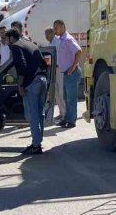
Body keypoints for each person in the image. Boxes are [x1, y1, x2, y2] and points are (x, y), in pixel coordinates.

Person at [7, 27, 47, 155]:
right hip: (42, 79)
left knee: (32, 115)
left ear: (11, 37)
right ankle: (38, 142)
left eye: (7, 39)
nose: (7, 42)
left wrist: (20, 85)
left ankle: (36, 145)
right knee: (40, 113)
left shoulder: (16, 46)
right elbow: (44, 63)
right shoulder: (31, 44)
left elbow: (21, 67)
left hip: (32, 83)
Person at [53, 19, 83, 128]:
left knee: (71, 98)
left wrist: (73, 67)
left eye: (56, 27)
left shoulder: (68, 39)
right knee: (66, 98)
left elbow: (79, 51)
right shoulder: (61, 39)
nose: (54, 30)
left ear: (62, 26)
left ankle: (71, 121)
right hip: (66, 73)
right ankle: (66, 118)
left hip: (72, 73)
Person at [44, 27, 65, 122]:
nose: (46, 37)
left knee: (61, 91)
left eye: (48, 34)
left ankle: (65, 113)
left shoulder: (58, 42)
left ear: (52, 33)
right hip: (53, 70)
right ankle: (61, 112)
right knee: (56, 92)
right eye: (45, 35)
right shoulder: (50, 43)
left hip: (59, 69)